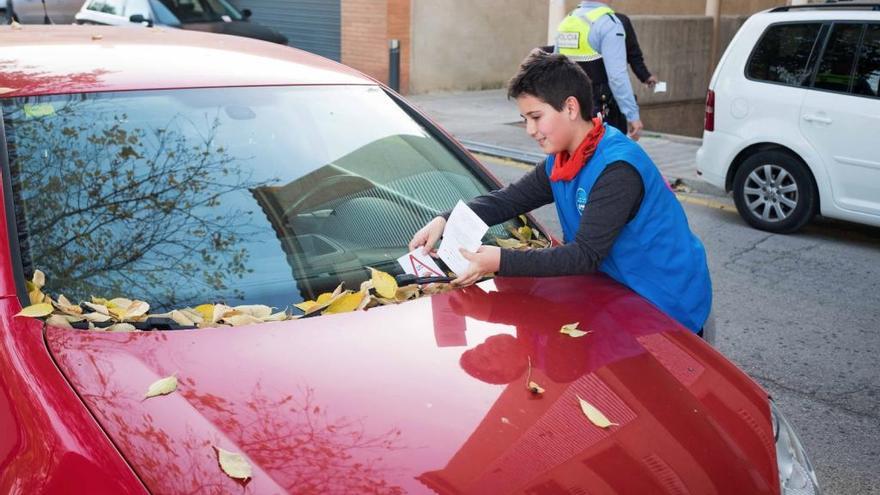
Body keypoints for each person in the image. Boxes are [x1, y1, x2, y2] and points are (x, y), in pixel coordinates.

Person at [408, 50, 712, 334]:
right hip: (617, 296)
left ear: (570, 107)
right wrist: (445, 220)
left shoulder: (617, 169)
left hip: (667, 304)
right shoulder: (563, 158)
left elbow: (585, 255)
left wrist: (501, 261)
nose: (529, 130)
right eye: (525, 119)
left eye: (536, 117)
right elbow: (509, 200)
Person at [553, 1, 643, 139]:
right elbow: (617, 77)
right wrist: (632, 115)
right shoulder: (608, 23)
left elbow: (555, 68)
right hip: (600, 111)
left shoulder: (567, 21)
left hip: (569, 107)